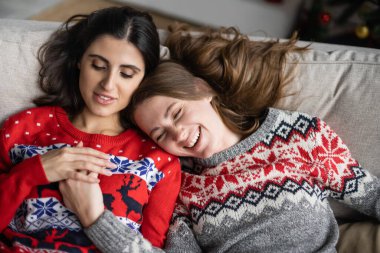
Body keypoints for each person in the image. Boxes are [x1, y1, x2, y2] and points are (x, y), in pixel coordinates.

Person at [60, 25, 380, 252]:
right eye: (161, 134)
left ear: (203, 89)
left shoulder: (299, 135)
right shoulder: (181, 185)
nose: (178, 134)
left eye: (175, 113)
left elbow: (370, 196)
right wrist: (96, 219)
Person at [0, 6, 181, 253]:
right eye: (98, 66)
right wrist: (31, 173)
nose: (108, 85)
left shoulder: (159, 161)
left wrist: (94, 217)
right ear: (79, 61)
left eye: (126, 74)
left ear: (144, 79)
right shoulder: (23, 128)